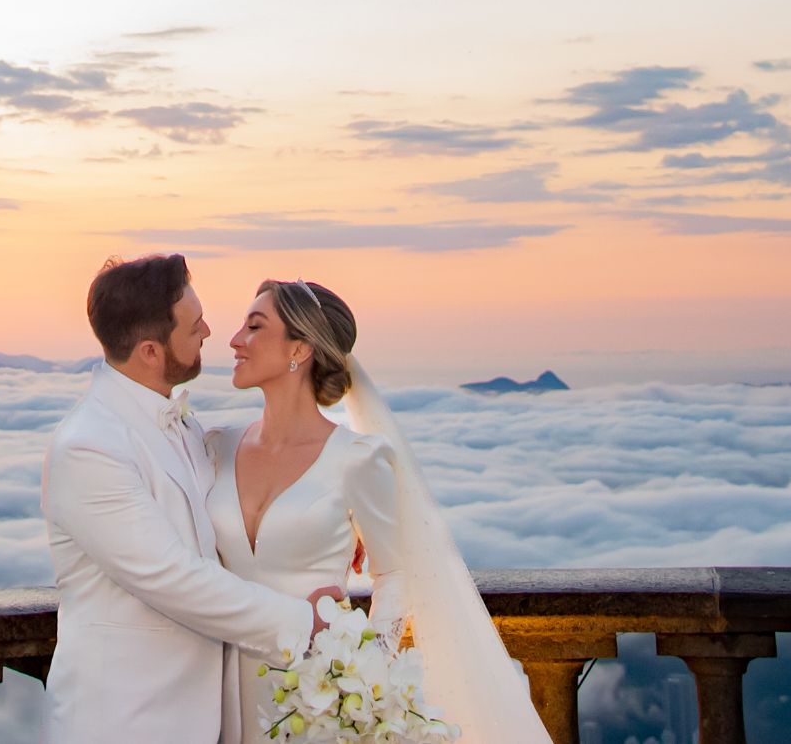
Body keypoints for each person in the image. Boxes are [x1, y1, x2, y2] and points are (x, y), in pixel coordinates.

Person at [208, 278, 550, 744]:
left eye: (254, 326)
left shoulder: (357, 458)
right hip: (215, 684)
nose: (234, 340)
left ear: (300, 349)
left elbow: (395, 574)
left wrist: (367, 674)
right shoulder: (217, 447)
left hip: (314, 691)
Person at [41, 254, 344, 744]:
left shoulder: (185, 427)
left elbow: (230, 505)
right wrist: (299, 623)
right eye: (194, 324)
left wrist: (323, 515)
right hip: (122, 723)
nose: (209, 331)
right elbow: (172, 577)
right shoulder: (89, 446)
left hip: (204, 722)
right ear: (150, 353)